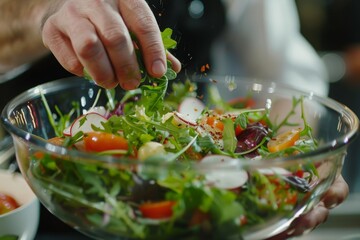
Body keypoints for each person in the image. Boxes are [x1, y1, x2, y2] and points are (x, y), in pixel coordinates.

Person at [0, 0, 349, 238]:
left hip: (205, 219)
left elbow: (282, 70)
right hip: (47, 206)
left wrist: (289, 170)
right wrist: (45, 9)